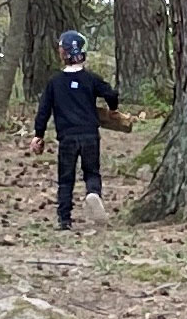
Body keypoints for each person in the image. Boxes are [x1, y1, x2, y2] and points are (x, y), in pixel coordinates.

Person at [31, 32, 127, 227]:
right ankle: (93, 194)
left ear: (62, 53)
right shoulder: (91, 79)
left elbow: (43, 111)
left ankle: (64, 219)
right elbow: (111, 94)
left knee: (65, 178)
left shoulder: (55, 83)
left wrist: (38, 135)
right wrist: (113, 109)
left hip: (67, 137)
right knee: (92, 172)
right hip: (90, 134)